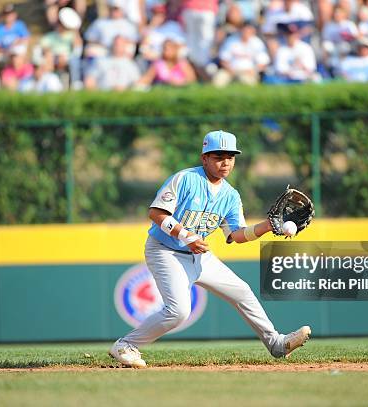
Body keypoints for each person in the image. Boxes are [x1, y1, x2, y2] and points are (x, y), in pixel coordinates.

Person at [108, 130, 312, 368]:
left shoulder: (230, 196)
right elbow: (156, 213)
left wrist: (267, 226)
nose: (225, 162)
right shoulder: (185, 179)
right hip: (165, 251)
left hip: (199, 256)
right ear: (204, 158)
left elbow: (236, 235)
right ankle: (125, 345)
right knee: (179, 311)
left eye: (230, 157)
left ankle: (277, 344)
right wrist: (185, 236)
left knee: (242, 292)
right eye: (218, 156)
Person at [212, 22, 270, 87]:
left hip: (248, 72)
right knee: (218, 80)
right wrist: (230, 70)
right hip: (230, 70)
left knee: (248, 83)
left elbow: (263, 63)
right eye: (245, 30)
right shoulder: (231, 40)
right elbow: (223, 59)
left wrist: (254, 70)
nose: (246, 32)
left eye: (249, 30)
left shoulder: (257, 43)